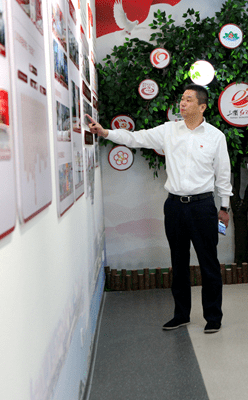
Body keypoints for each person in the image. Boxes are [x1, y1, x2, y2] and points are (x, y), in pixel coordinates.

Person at [87, 84, 232, 334]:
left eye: (189, 100)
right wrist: (106, 132)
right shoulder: (168, 130)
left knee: (208, 262)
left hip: (203, 206)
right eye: (182, 99)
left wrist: (225, 206)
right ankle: (181, 314)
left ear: (202, 107)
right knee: (178, 261)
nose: (182, 103)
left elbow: (223, 174)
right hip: (175, 206)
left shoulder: (215, 137)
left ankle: (213, 316)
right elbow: (136, 138)